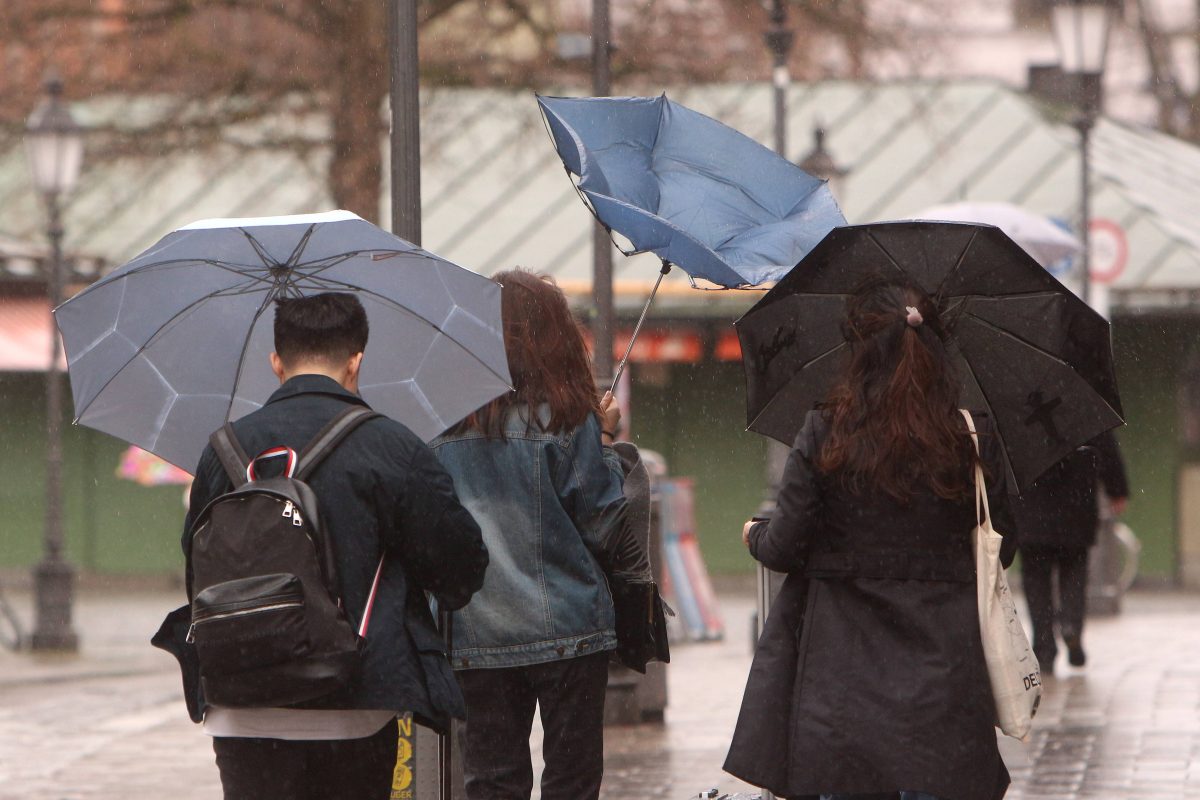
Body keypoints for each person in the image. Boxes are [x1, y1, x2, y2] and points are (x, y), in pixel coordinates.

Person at [180, 292, 488, 800]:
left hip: (241, 701)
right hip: (354, 699)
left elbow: (196, 561)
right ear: (356, 361)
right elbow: (460, 568)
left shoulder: (224, 449)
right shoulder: (391, 447)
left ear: (276, 362)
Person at [724, 279, 1018, 800]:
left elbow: (786, 547)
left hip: (842, 687)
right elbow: (1006, 546)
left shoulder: (825, 431)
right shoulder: (972, 437)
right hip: (943, 682)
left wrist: (756, 534)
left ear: (858, 352)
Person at [430, 269, 626, 800]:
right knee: (572, 779)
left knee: (492, 780)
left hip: (478, 631)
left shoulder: (442, 429)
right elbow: (603, 524)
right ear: (554, 338)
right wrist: (605, 441)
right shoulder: (567, 420)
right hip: (570, 627)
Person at [1015, 431, 1128, 676]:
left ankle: (1044, 648)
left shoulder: (1018, 408)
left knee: (1036, 582)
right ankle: (1071, 625)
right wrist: (1117, 489)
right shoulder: (1084, 405)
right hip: (1077, 505)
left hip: (1032, 509)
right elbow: (1106, 450)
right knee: (1074, 571)